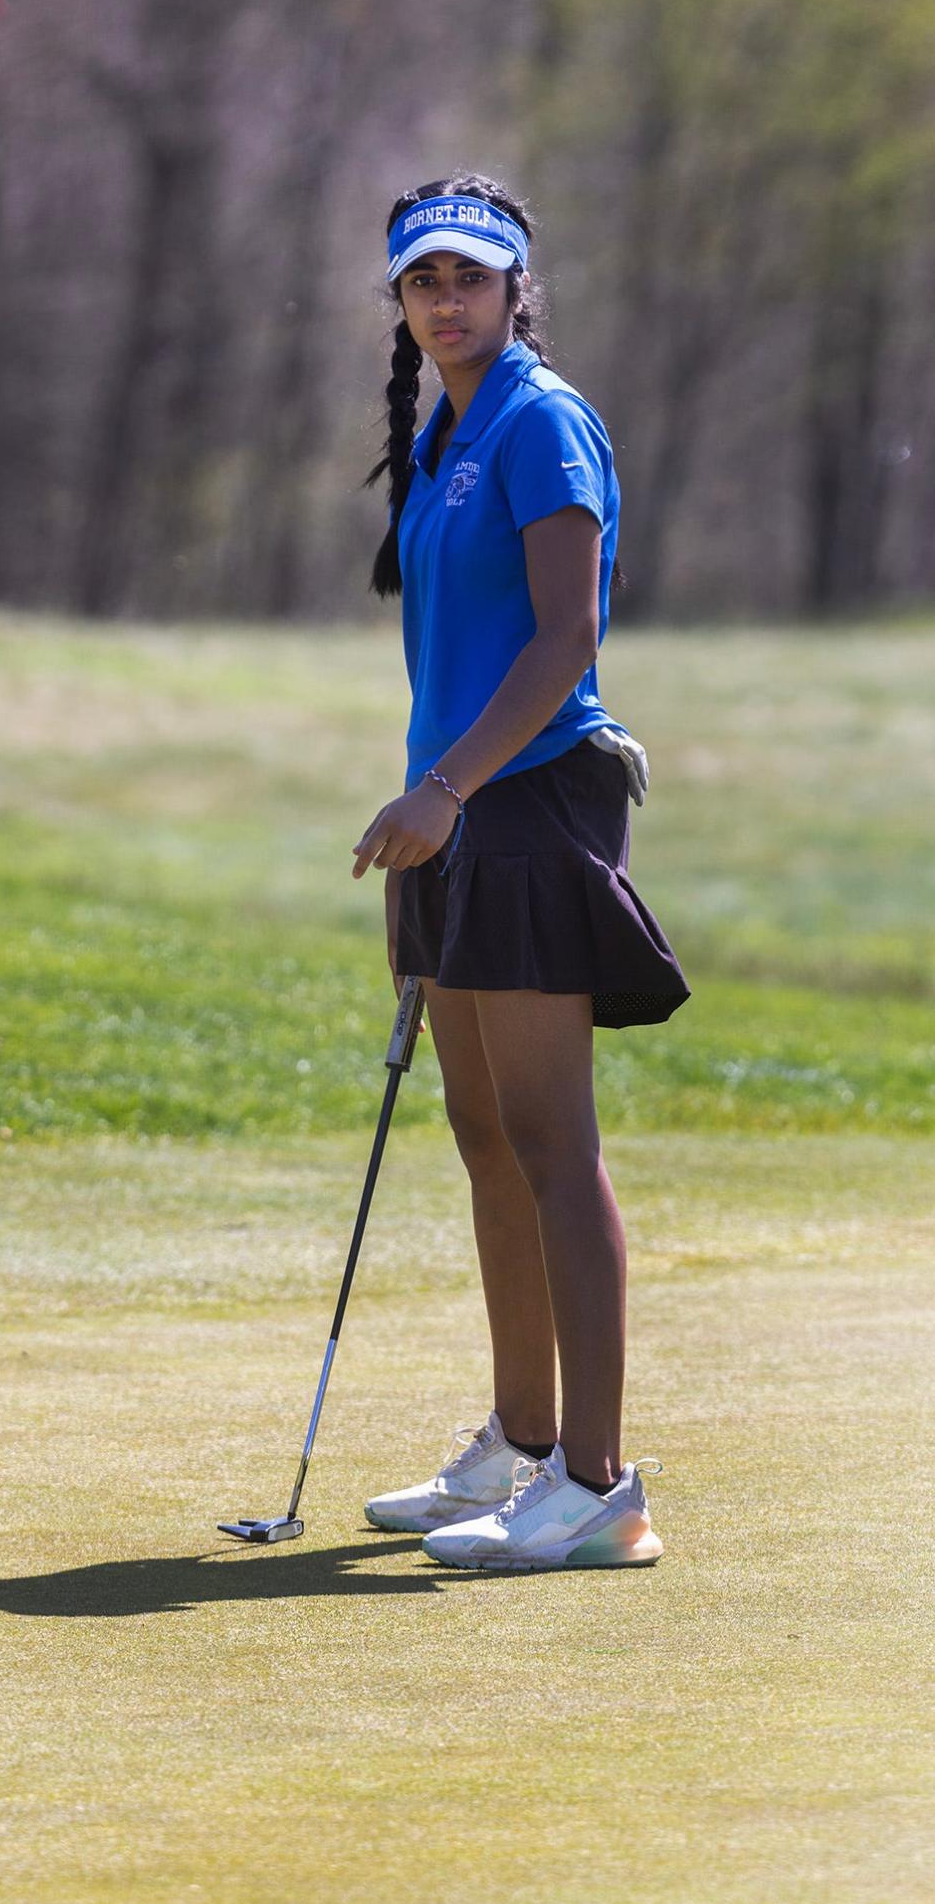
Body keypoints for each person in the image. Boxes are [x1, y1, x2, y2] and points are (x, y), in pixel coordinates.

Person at [352, 173, 689, 1573]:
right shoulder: (444, 428)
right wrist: (431, 802)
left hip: (529, 803)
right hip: (457, 813)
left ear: (512, 290)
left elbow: (566, 641)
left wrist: (441, 790)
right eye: (423, 281)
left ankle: (598, 1487)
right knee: (484, 1135)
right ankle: (521, 1438)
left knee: (553, 1142)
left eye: (468, 279)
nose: (446, 300)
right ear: (401, 299)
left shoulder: (541, 420)